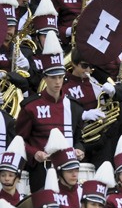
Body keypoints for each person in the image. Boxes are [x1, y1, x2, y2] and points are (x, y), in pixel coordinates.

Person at [16, 31, 84, 192]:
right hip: (41, 170)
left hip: (68, 170)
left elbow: (79, 138)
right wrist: (35, 153)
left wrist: (80, 149)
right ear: (45, 78)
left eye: (60, 77)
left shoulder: (73, 106)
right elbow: (19, 141)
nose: (58, 82)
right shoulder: (31, 106)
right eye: (53, 77)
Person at [0, 136, 26, 206]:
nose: (6, 179)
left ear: (18, 178)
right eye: (3, 175)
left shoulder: (25, 201)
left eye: (11, 175)